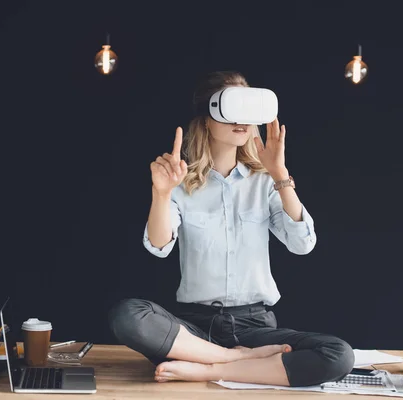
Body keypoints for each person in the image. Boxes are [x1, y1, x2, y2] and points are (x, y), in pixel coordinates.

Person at [108, 71, 354, 387]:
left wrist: (280, 174)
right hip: (192, 331)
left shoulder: (266, 183)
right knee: (127, 314)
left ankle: (209, 369)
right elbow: (159, 246)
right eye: (230, 109)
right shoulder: (180, 185)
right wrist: (162, 193)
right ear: (207, 120)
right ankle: (231, 360)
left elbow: (302, 243)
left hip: (256, 327)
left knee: (338, 354)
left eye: (247, 111)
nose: (241, 120)